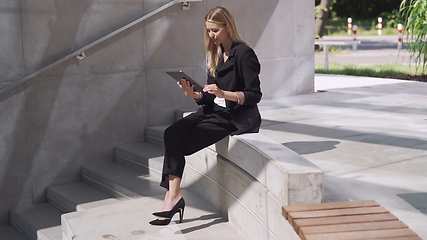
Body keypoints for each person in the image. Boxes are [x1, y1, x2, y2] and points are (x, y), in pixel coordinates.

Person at [149, 6, 262, 226]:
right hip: (213, 110)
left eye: (215, 30)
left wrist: (224, 93)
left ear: (227, 26)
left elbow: (254, 95)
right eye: (208, 31)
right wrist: (194, 95)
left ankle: (172, 200)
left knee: (183, 145)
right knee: (172, 133)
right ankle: (173, 196)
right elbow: (209, 97)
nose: (211, 35)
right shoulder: (215, 53)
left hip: (234, 116)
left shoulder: (244, 54)